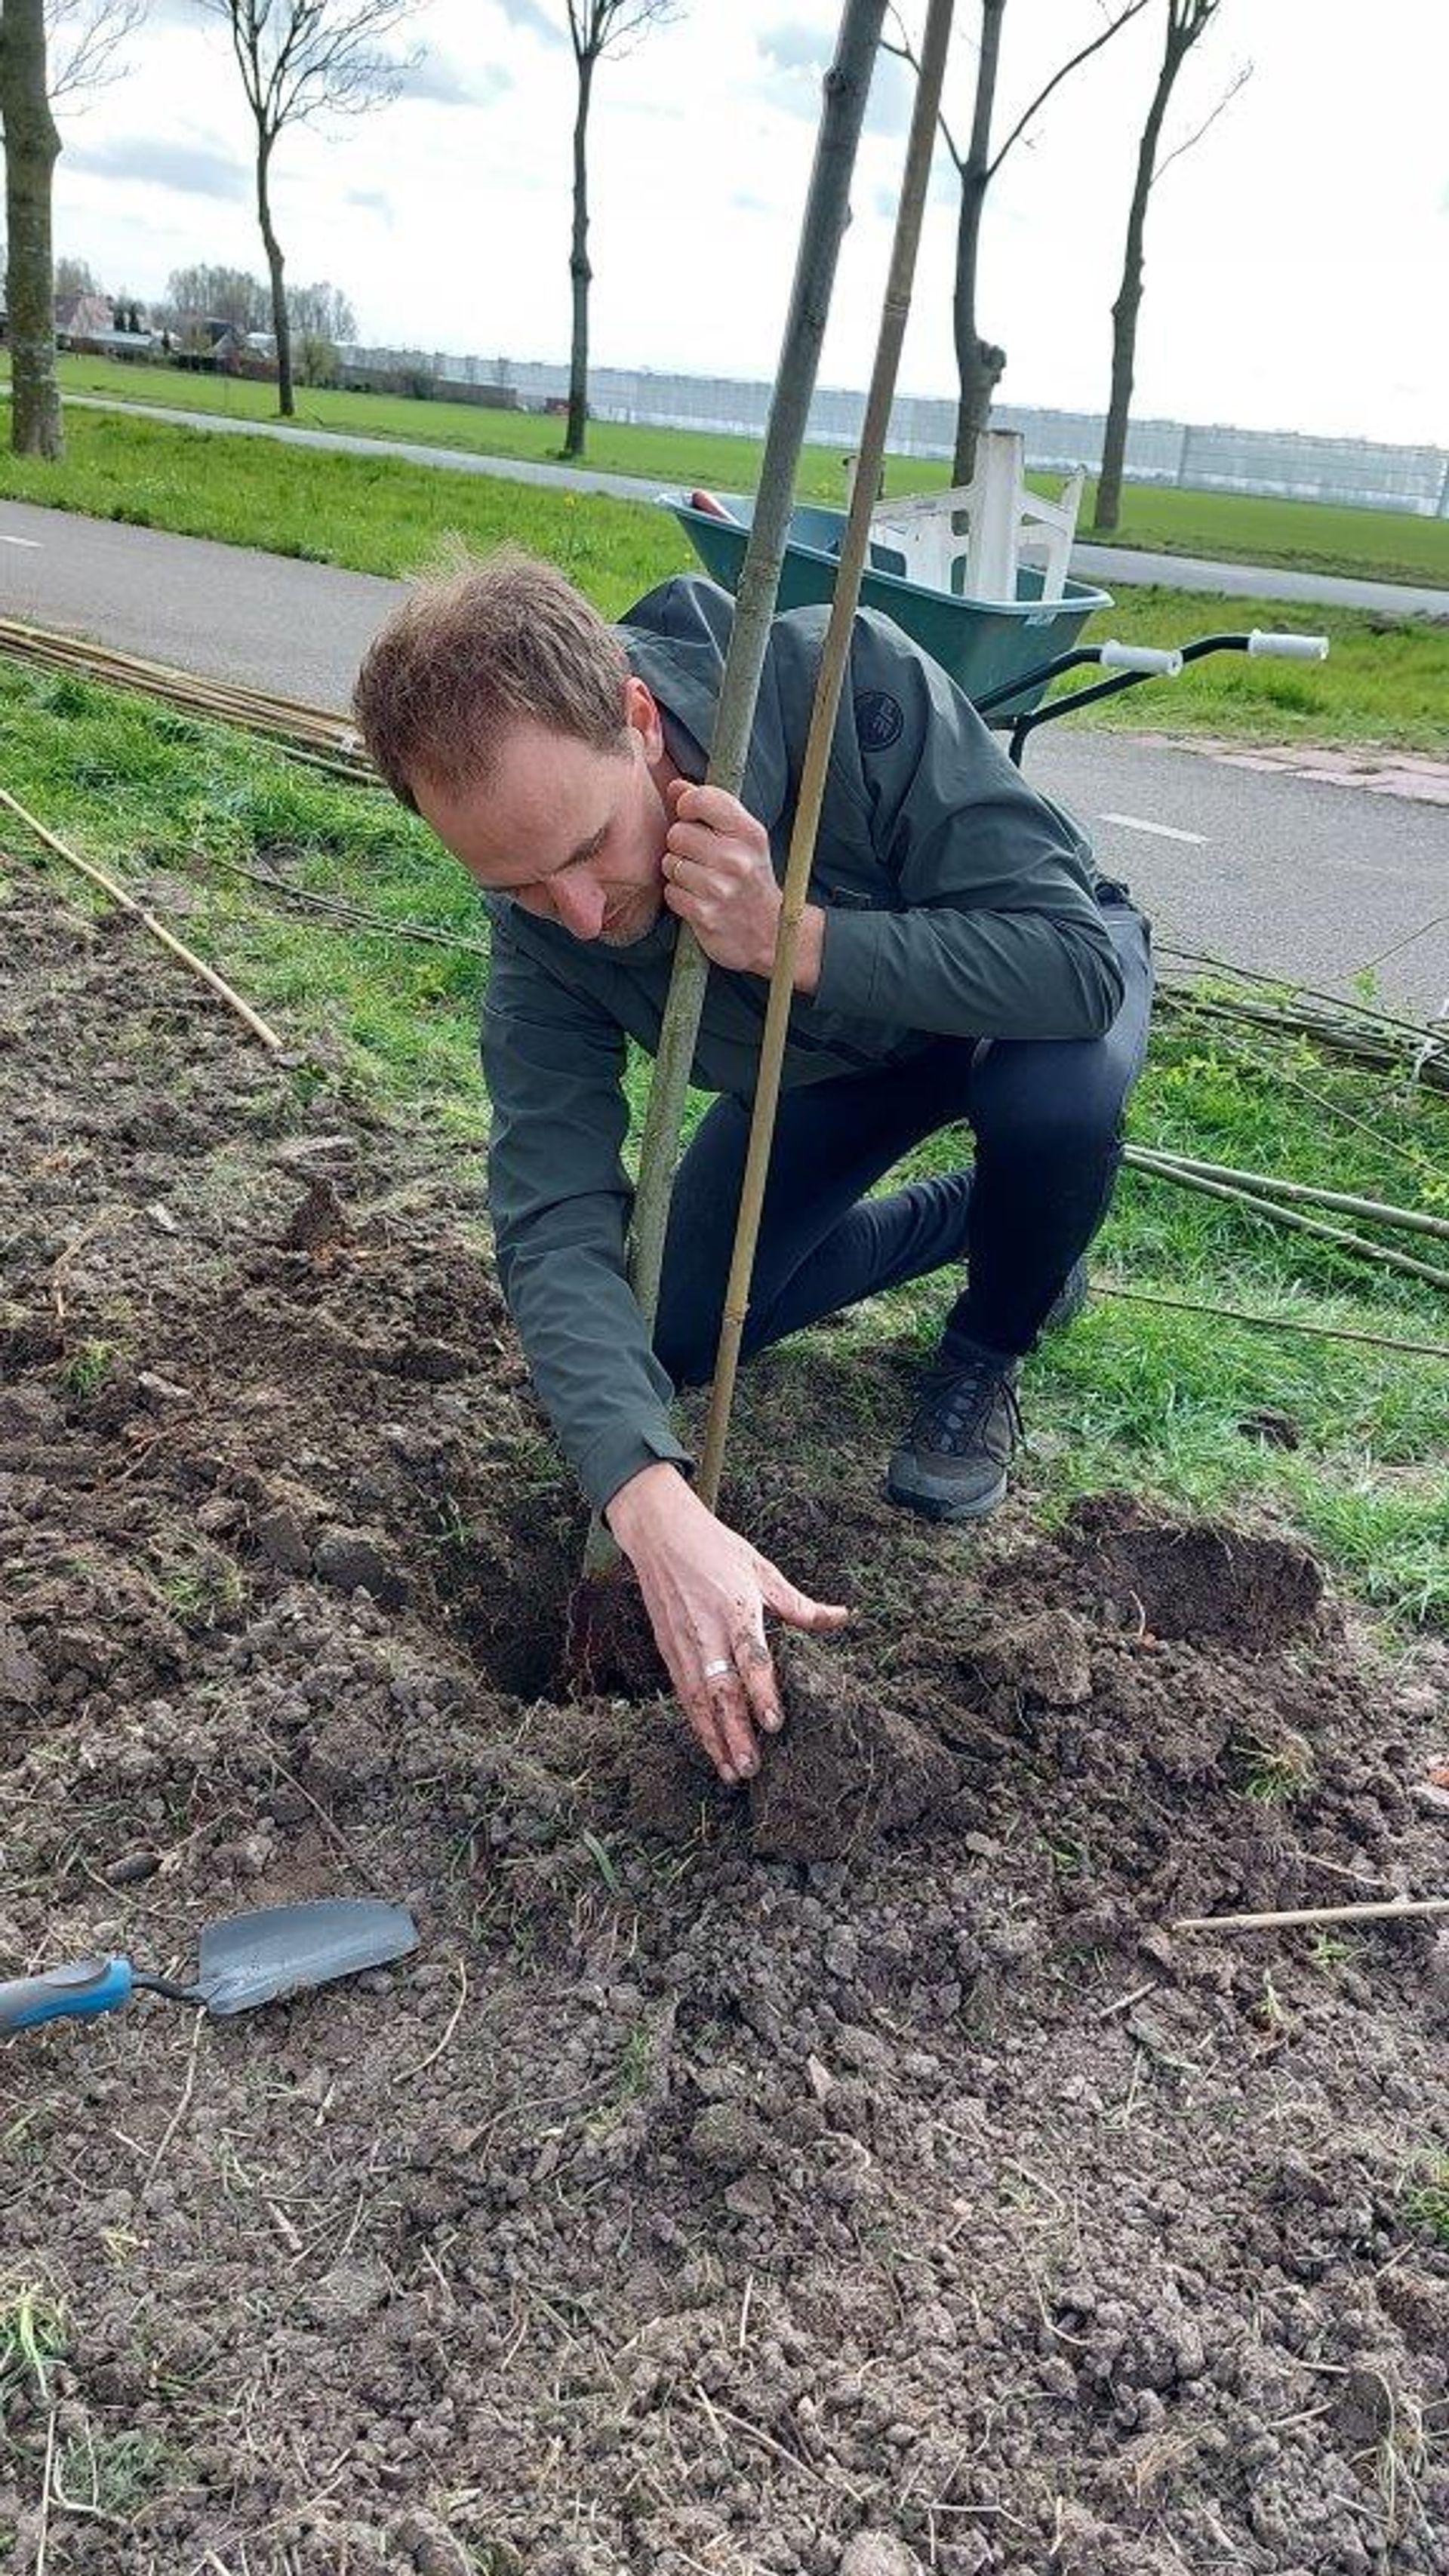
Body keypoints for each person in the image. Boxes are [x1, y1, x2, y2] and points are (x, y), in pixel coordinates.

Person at [352, 549, 1152, 1785]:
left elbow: (1073, 965)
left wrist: (797, 935)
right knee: (667, 1322)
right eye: (514, 882)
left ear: (634, 718)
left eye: (587, 846)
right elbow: (553, 1206)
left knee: (1057, 1105)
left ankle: (995, 1332)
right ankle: (995, 1222)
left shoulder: (840, 685)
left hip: (1006, 996)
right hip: (832, 1071)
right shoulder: (545, 930)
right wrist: (645, 1490)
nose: (575, 910)